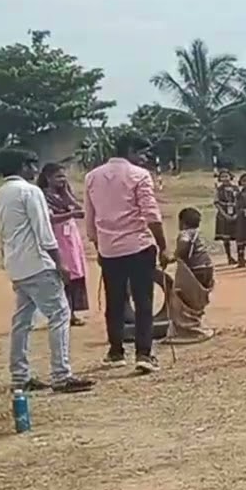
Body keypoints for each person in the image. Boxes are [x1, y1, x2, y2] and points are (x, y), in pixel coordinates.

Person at [0, 148, 95, 394]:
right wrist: (59, 262)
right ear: (22, 166)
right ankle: (61, 374)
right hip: (38, 264)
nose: (36, 169)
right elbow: (44, 231)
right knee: (60, 314)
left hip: (17, 265)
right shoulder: (30, 191)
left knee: (22, 321)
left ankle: (20, 376)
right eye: (32, 164)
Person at [85, 132, 168, 374]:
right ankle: (144, 353)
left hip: (109, 249)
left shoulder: (92, 176)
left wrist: (97, 243)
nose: (144, 158)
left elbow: (90, 217)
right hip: (139, 246)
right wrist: (163, 245)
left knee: (115, 300)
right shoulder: (139, 175)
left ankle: (116, 351)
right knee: (143, 301)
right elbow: (151, 213)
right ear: (131, 150)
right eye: (141, 153)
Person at [37, 162, 89, 326]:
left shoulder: (63, 195)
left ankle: (72, 312)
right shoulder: (43, 196)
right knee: (62, 274)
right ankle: (61, 312)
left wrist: (66, 193)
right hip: (57, 236)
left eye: (64, 176)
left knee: (74, 274)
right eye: (58, 176)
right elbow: (49, 218)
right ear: (48, 178)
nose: (62, 179)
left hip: (71, 238)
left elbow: (79, 209)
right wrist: (71, 214)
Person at [165, 207, 215, 344]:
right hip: (207, 268)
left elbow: (183, 248)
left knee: (182, 298)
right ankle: (196, 325)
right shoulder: (199, 234)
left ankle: (189, 330)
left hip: (195, 270)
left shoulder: (185, 233)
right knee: (196, 300)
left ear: (182, 222)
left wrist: (171, 258)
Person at [212, 170, 238, 265]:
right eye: (222, 177)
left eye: (226, 176)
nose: (224, 178)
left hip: (235, 214)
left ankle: (240, 256)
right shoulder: (219, 190)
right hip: (223, 215)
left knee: (237, 236)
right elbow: (217, 203)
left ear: (230, 176)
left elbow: (240, 202)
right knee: (225, 237)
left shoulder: (236, 189)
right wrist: (225, 215)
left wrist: (236, 214)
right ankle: (229, 257)